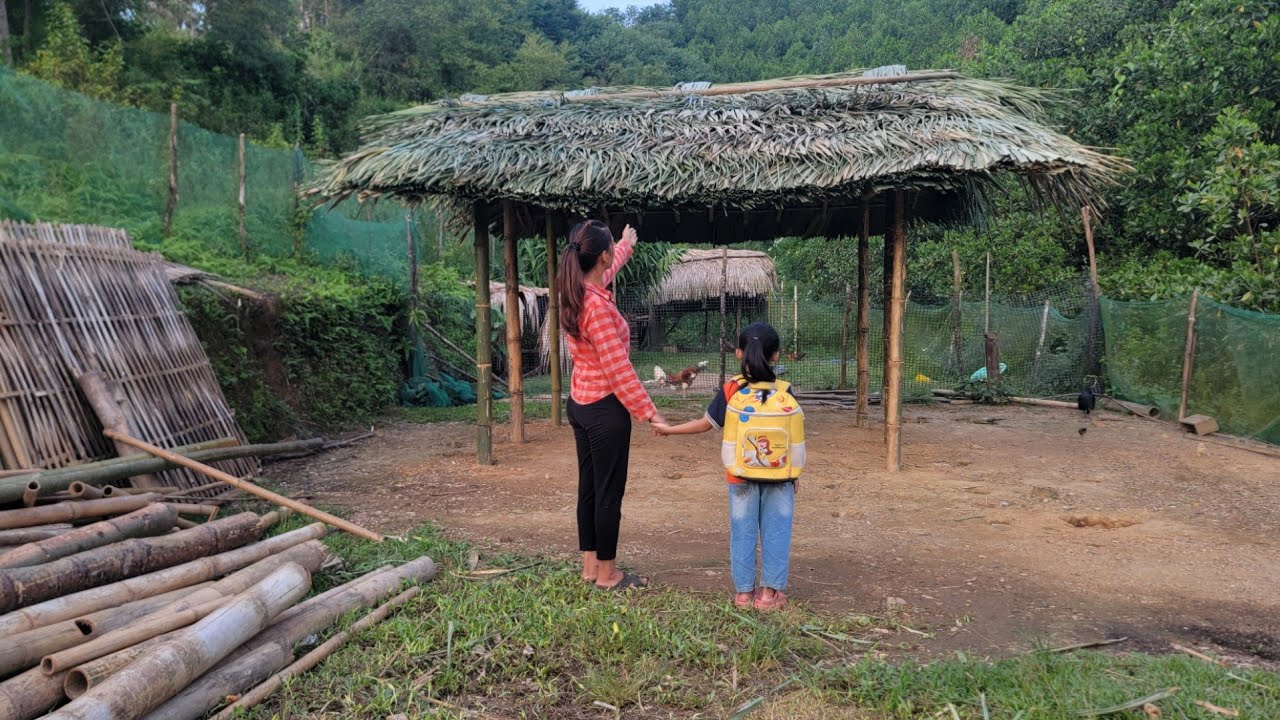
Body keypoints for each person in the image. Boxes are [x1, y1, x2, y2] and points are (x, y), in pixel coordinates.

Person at [653, 322, 799, 610]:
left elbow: (704, 424)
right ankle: (769, 595)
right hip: (780, 475)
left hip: (739, 475)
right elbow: (792, 436)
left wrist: (669, 430)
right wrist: (794, 474)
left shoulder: (732, 389)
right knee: (776, 531)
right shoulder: (785, 390)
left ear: (738, 353)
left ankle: (744, 594)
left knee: (743, 530)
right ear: (776, 355)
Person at [556, 219, 667, 591]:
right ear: (600, 257)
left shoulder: (573, 290)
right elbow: (618, 369)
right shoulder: (597, 308)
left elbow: (607, 268)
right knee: (608, 493)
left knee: (590, 488)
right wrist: (650, 412)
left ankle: (590, 566)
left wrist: (624, 246)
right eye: (609, 254)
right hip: (605, 409)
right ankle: (608, 575)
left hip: (580, 403)